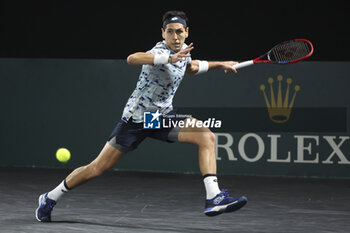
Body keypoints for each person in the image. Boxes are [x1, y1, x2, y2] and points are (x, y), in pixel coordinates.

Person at [35, 10, 247, 222]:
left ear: (187, 32)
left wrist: (220, 64)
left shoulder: (184, 50)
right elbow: (133, 58)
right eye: (170, 32)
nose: (175, 36)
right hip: (136, 120)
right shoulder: (159, 51)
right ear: (163, 33)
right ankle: (50, 197)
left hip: (160, 117)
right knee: (97, 168)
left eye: (179, 32)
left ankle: (213, 198)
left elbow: (188, 66)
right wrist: (168, 57)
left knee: (206, 136)